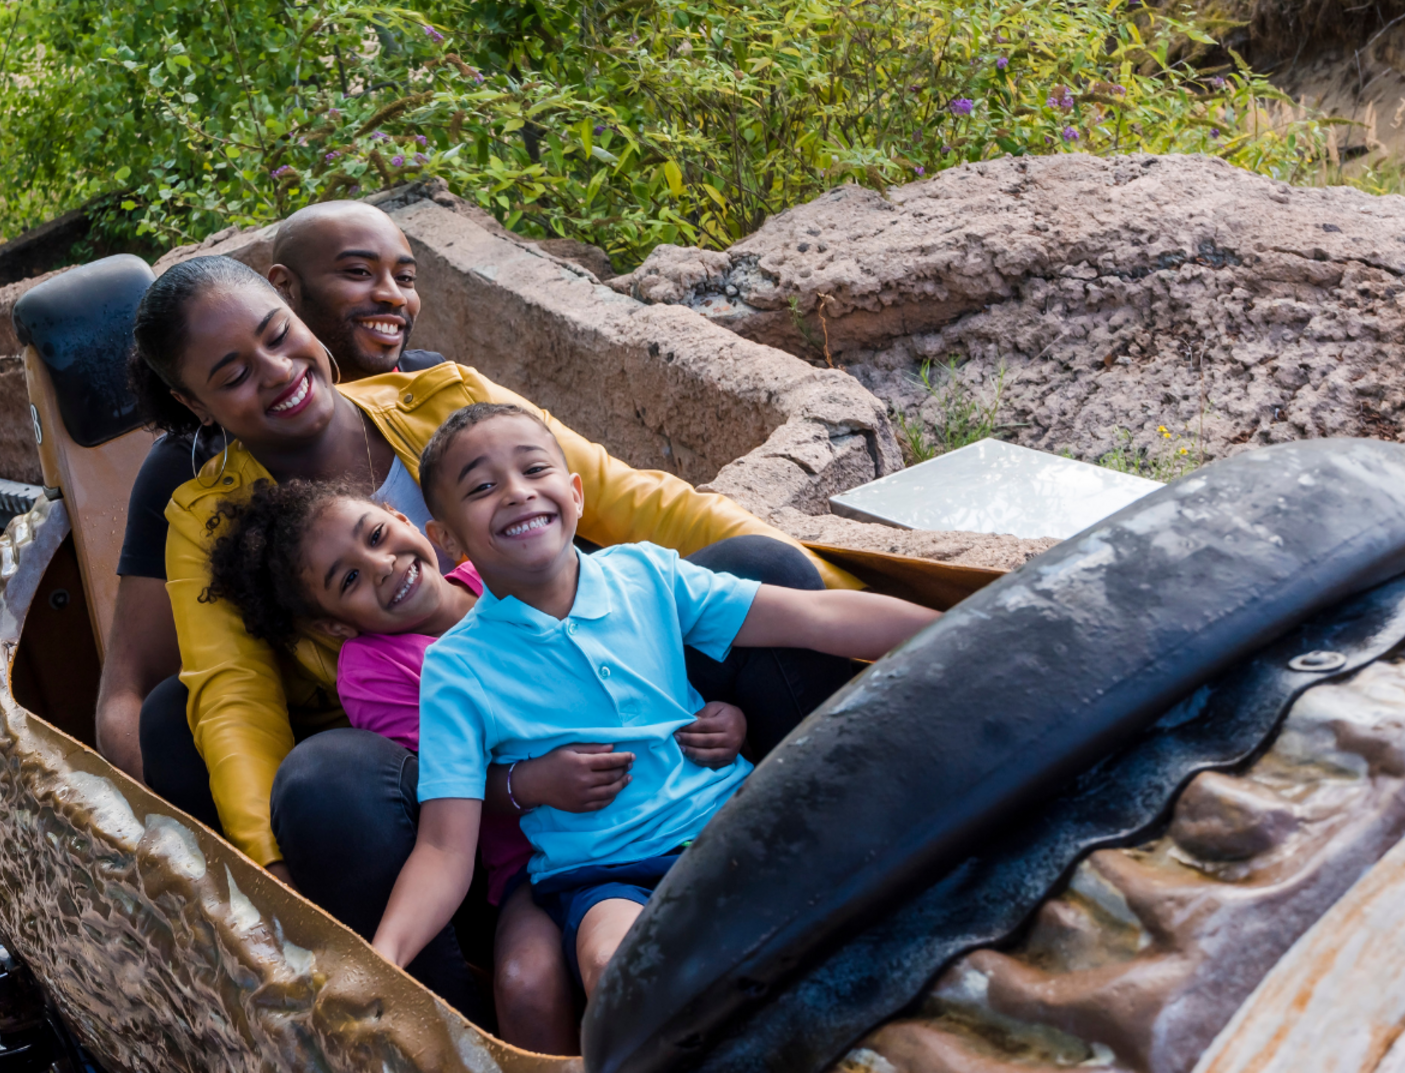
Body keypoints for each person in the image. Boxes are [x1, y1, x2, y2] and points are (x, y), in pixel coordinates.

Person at [126, 253, 859, 1009]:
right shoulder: (209, 520)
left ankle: (860, 836)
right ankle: (433, 1024)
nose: (278, 371)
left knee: (762, 566)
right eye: (235, 375)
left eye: (279, 337)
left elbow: (633, 501)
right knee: (314, 779)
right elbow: (234, 701)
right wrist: (277, 884)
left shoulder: (444, 399)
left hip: (592, 713)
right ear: (195, 401)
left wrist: (848, 593)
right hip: (429, 784)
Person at [371, 404, 941, 997]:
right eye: (483, 487)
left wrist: (977, 621)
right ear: (446, 540)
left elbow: (816, 617)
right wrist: (382, 958)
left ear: (575, 493)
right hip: (607, 877)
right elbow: (442, 848)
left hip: (734, 819)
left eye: (534, 470)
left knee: (878, 866)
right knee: (618, 966)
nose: (517, 493)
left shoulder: (644, 574)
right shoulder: (456, 668)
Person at [203, 480, 750, 1052]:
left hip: (663, 806)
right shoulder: (377, 668)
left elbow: (631, 655)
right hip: (531, 858)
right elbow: (445, 785)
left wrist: (722, 716)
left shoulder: (500, 573)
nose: (384, 566)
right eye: (350, 579)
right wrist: (531, 782)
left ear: (405, 519)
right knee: (526, 984)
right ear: (334, 625)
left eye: (378, 535)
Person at [94, 200, 442, 777]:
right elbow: (167, 691)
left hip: (502, 680)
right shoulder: (193, 485)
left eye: (404, 278)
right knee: (176, 716)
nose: (388, 297)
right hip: (365, 758)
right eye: (356, 274)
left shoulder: (431, 392)